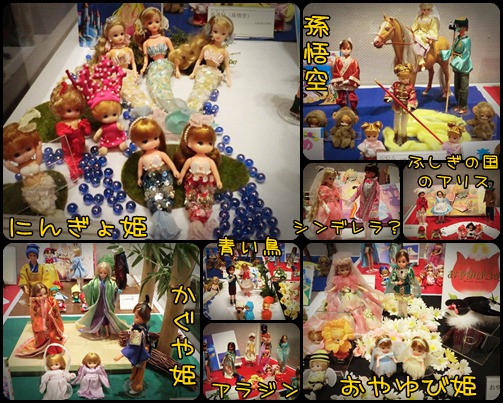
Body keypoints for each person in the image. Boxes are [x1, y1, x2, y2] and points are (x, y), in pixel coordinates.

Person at [129, 117, 181, 240]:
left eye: (155, 138)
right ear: (137, 143)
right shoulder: (142, 158)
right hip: (150, 178)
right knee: (153, 195)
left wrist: (174, 171)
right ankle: (160, 217)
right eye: (145, 141)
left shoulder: (160, 154)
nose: (152, 143)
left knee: (166, 191)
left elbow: (169, 162)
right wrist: (139, 178)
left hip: (164, 175)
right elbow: (140, 170)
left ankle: (164, 211)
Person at [170, 15, 234, 112]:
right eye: (215, 31)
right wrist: (193, 73)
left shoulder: (224, 51)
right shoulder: (206, 47)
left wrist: (228, 78)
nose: (218, 35)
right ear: (210, 31)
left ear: (227, 36)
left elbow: (227, 66)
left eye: (223, 33)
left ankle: (194, 108)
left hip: (214, 74)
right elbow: (199, 60)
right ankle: (189, 106)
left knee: (205, 91)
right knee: (197, 89)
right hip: (203, 70)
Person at [66, 57, 127, 156]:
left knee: (121, 142)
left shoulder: (115, 124)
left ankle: (121, 143)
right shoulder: (103, 127)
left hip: (118, 137)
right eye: (105, 116)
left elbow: (120, 127)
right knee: (104, 145)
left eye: (114, 114)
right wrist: (96, 136)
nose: (111, 118)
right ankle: (105, 147)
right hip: (107, 140)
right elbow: (99, 132)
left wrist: (121, 127)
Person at [174, 114, 222, 239]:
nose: (206, 146)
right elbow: (184, 169)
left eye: (210, 143)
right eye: (200, 143)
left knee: (205, 198)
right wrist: (180, 178)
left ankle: (203, 215)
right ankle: (196, 217)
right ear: (189, 143)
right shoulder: (190, 159)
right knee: (192, 197)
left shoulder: (210, 161)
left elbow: (215, 171)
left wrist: (218, 180)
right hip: (192, 182)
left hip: (206, 183)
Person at [91, 15, 150, 109]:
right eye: (115, 35)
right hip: (116, 76)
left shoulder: (129, 50)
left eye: (122, 34)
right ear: (109, 37)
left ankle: (144, 105)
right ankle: (137, 107)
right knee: (125, 92)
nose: (120, 37)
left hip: (128, 74)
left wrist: (135, 73)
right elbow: (106, 67)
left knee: (135, 91)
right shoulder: (110, 53)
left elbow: (133, 63)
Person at [3, 122, 61, 216]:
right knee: (37, 202)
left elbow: (39, 160)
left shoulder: (34, 162)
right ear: (9, 156)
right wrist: (9, 166)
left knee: (48, 197)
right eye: (17, 154)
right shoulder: (20, 167)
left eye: (28, 149)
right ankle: (44, 212)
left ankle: (52, 209)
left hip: (43, 182)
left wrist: (38, 150)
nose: (25, 155)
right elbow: (16, 170)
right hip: (31, 189)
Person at [325, 252, 384, 335]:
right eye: (342, 270)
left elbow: (356, 285)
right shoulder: (338, 279)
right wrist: (330, 290)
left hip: (353, 295)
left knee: (360, 304)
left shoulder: (352, 277)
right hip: (343, 296)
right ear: (338, 271)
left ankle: (359, 319)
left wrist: (363, 288)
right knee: (342, 307)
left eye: (347, 269)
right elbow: (335, 287)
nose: (345, 272)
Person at [134, 7, 176, 110]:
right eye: (150, 23)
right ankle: (159, 104)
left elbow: (174, 55)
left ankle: (169, 103)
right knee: (153, 84)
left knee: (164, 82)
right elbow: (146, 59)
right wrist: (143, 68)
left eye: (157, 21)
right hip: (153, 66)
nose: (154, 25)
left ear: (161, 22)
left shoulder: (165, 39)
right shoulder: (146, 43)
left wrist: (177, 69)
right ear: (144, 25)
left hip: (165, 65)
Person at [49, 80, 92, 180]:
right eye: (69, 110)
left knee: (83, 156)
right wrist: (68, 131)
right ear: (59, 110)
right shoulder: (62, 124)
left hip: (81, 146)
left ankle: (84, 165)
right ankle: (74, 171)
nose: (74, 113)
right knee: (71, 160)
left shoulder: (79, 121)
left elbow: (87, 132)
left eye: (77, 109)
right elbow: (60, 132)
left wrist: (84, 127)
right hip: (69, 149)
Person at [76, 261, 129, 338]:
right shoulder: (94, 281)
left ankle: (107, 332)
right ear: (98, 272)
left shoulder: (110, 283)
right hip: (98, 303)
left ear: (108, 273)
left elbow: (114, 288)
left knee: (106, 319)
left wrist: (117, 291)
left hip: (106, 304)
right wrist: (84, 288)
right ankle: (96, 331)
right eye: (101, 273)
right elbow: (88, 287)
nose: (102, 275)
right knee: (96, 317)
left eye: (105, 273)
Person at [15, 282, 66, 357]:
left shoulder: (50, 300)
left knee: (53, 336)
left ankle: (52, 348)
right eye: (40, 295)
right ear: (35, 295)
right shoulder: (34, 304)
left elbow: (55, 312)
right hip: (41, 326)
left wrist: (52, 308)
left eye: (45, 294)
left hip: (51, 324)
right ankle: (46, 347)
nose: (43, 296)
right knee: (43, 336)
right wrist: (42, 325)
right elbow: (35, 316)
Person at [114, 297, 152, 395]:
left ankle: (136, 387)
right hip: (142, 351)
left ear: (143, 319)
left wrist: (121, 355)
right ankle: (134, 379)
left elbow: (133, 347)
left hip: (140, 354)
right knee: (136, 369)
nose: (134, 319)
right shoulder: (142, 327)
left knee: (140, 372)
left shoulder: (138, 331)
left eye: (136, 317)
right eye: (135, 316)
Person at [440, 17, 473, 114]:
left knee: (463, 88)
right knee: (457, 87)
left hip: (463, 66)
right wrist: (444, 53)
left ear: (464, 28)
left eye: (459, 26)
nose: (457, 28)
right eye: (457, 26)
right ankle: (458, 104)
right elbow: (452, 50)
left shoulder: (466, 41)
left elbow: (466, 55)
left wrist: (455, 62)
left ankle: (463, 106)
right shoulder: (457, 38)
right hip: (457, 67)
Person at [383, 63, 418, 145]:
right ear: (399, 78)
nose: (405, 80)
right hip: (397, 106)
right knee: (396, 122)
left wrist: (410, 105)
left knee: (404, 123)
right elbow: (390, 92)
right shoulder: (395, 85)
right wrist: (389, 97)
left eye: (407, 78)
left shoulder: (411, 87)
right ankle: (396, 134)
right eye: (403, 78)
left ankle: (403, 136)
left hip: (406, 108)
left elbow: (412, 97)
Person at [346, 164, 381, 239]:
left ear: (373, 173)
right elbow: (357, 192)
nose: (366, 174)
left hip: (371, 207)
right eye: (366, 172)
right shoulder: (364, 182)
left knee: (369, 222)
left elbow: (377, 197)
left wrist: (374, 208)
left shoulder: (375, 184)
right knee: (365, 222)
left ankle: (368, 236)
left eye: (368, 172)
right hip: (363, 205)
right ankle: (366, 236)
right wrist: (351, 200)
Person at [308, 167, 343, 240]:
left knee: (334, 220)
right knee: (325, 220)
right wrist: (325, 206)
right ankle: (324, 235)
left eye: (333, 179)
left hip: (335, 206)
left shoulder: (334, 187)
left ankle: (332, 234)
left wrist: (339, 198)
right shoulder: (323, 188)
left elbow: (337, 195)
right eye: (330, 178)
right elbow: (320, 198)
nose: (332, 180)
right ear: (325, 178)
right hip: (326, 206)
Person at [385, 249, 421, 318]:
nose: (401, 263)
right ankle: (400, 314)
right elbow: (391, 281)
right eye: (399, 261)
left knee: (405, 304)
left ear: (407, 261)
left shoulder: (409, 271)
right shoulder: (395, 270)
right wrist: (396, 283)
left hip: (406, 289)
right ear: (396, 262)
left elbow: (412, 282)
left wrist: (412, 292)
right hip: (398, 290)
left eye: (403, 261)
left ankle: (405, 314)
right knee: (399, 303)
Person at [330, 38, 360, 111]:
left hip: (350, 82)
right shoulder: (338, 60)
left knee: (352, 97)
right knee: (341, 96)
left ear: (351, 49)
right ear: (340, 49)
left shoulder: (354, 61)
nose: (346, 50)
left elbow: (356, 71)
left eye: (348, 48)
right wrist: (336, 81)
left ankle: (353, 109)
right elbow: (335, 71)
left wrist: (354, 81)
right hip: (341, 82)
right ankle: (343, 108)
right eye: (344, 48)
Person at [411, 3, 440, 72]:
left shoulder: (432, 19)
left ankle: (422, 63)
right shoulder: (419, 18)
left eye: (428, 10)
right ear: (421, 10)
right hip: (418, 34)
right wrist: (412, 32)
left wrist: (428, 36)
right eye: (424, 10)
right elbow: (415, 27)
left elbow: (433, 29)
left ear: (431, 10)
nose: (426, 11)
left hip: (426, 35)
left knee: (418, 46)